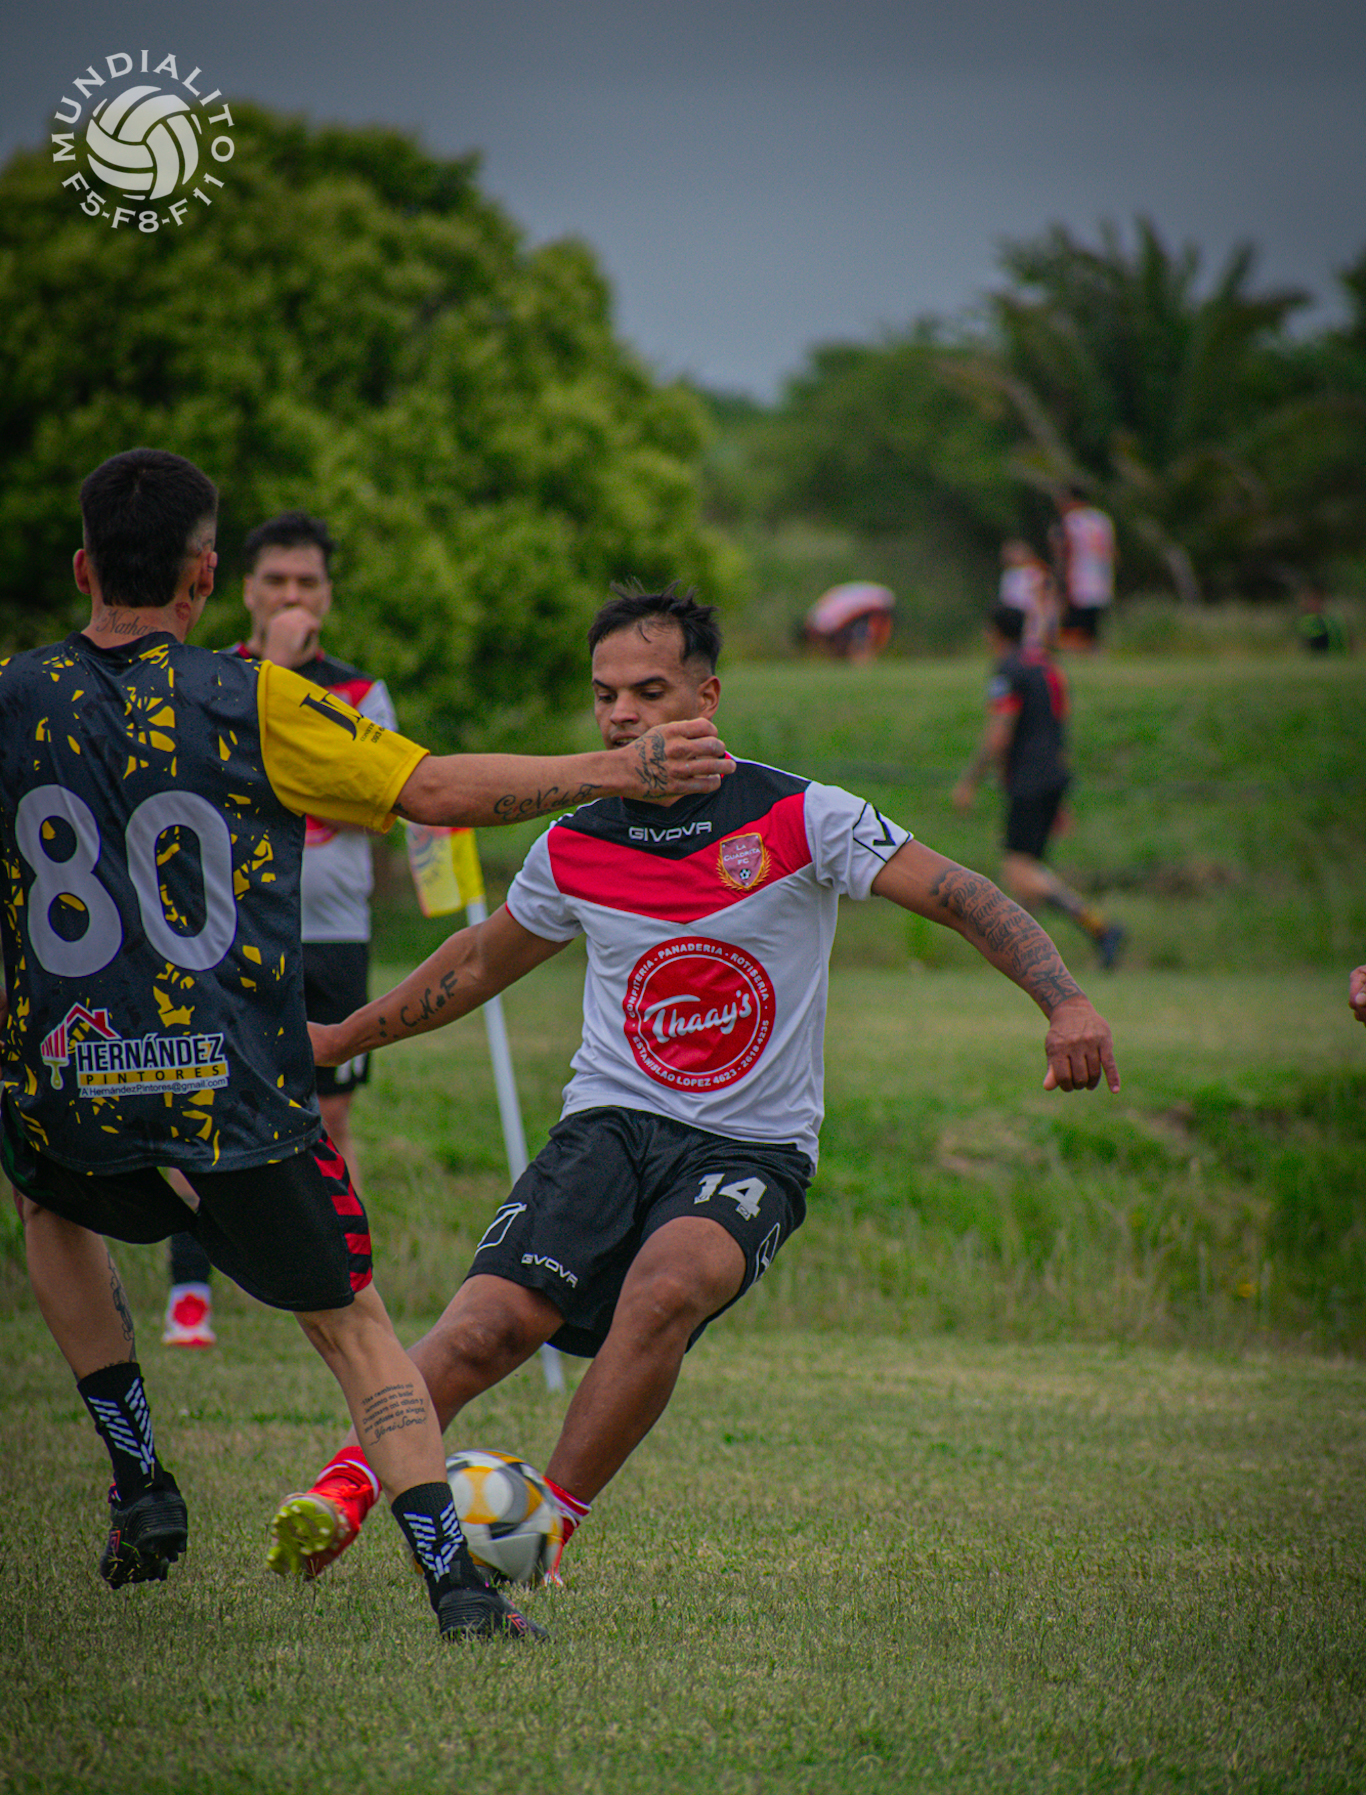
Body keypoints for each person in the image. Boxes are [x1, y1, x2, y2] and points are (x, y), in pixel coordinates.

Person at [0, 453, 730, 1641]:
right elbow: (434, 791)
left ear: (83, 567)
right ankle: (455, 1585)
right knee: (354, 1327)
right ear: (205, 579)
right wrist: (608, 768)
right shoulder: (254, 698)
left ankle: (139, 1478)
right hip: (227, 1080)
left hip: (68, 1072)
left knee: (46, 1204)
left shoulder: (14, 693)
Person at [266, 582, 1121, 1589]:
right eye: (604, 695)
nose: (621, 714)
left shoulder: (803, 816)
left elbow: (963, 894)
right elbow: (478, 961)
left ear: (704, 698)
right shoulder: (576, 841)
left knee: (666, 1287)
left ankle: (541, 1530)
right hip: (608, 1128)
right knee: (489, 1326)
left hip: (750, 1149)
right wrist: (338, 1037)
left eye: (648, 691)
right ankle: (341, 1492)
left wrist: (1065, 1001)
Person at [162, 512, 395, 1348]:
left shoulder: (362, 694)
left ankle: (347, 1288)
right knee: (205, 1107)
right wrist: (280, 676)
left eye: (308, 581)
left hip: (334, 934)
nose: (292, 594)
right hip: (229, 932)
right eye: (277, 581)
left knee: (331, 1117)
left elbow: (374, 802)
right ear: (245, 588)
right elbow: (203, 791)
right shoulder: (206, 679)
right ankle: (191, 1292)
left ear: (327, 594)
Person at [953, 604, 1125, 970]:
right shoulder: (1046, 666)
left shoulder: (1008, 670)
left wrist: (970, 781)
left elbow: (1000, 732)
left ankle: (1101, 928)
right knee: (1030, 873)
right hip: (1053, 775)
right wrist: (1059, 797)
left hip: (1029, 779)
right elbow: (1058, 725)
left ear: (994, 633)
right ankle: (1027, 959)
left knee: (1019, 871)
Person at [1051, 485, 1116, 650]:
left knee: (1075, 621)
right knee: (1093, 619)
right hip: (1101, 575)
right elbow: (1112, 551)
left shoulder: (1071, 520)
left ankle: (1079, 648)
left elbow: (1064, 549)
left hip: (1078, 575)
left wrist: (1060, 576)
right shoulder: (1101, 519)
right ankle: (1093, 648)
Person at [803, 583, 895, 661]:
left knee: (859, 633)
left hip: (869, 607)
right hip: (864, 607)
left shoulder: (820, 619)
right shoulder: (819, 616)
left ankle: (860, 657)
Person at [997, 539, 1058, 651]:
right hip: (1014, 610)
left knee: (1031, 633)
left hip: (1030, 608)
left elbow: (1042, 590)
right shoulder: (1008, 574)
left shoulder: (1033, 571)